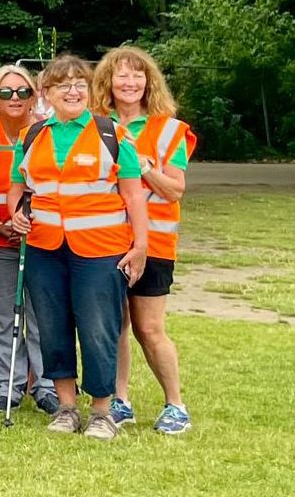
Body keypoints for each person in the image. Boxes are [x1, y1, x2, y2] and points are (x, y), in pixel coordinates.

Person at [7, 54, 151, 441]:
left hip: (101, 250)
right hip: (44, 248)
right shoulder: (31, 136)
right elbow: (17, 187)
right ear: (46, 94)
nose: (72, 90)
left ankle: (102, 411)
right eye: (62, 85)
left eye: (79, 84)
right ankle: (66, 407)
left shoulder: (113, 135)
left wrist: (141, 247)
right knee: (53, 328)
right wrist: (16, 212)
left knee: (98, 329)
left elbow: (135, 197)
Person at [95, 47, 194, 434]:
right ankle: (120, 401)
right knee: (114, 326)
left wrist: (144, 164)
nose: (130, 82)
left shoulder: (169, 128)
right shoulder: (97, 125)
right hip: (105, 241)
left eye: (137, 76)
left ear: (149, 82)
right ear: (108, 82)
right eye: (121, 75)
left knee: (149, 328)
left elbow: (174, 190)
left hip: (153, 245)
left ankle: (176, 405)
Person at [0, 64, 58, 414]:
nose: (15, 99)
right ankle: (7, 384)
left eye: (23, 91)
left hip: (39, 239)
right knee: (0, 315)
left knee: (41, 316)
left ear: (34, 96)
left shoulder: (45, 132)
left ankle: (46, 385)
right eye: (6, 92)